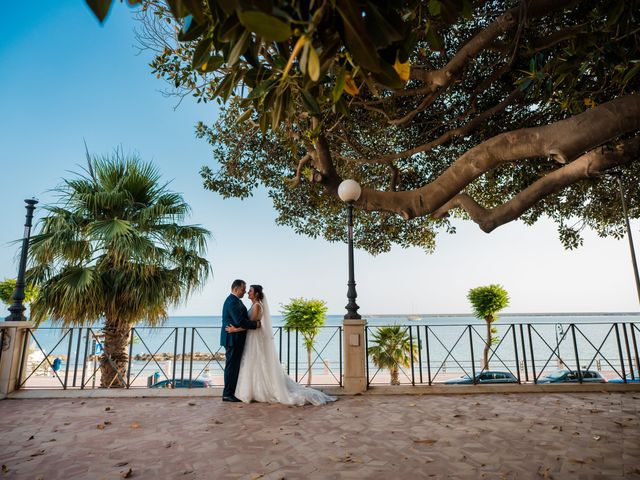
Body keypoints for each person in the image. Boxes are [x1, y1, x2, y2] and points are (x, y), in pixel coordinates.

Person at [226, 285, 337, 406]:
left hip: (254, 338)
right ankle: (254, 389)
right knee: (255, 363)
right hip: (253, 337)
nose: (248, 292)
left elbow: (251, 324)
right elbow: (252, 324)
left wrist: (235, 330)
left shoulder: (257, 306)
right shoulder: (254, 305)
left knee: (255, 362)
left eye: (250, 291)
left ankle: (258, 390)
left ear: (256, 294)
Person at [221, 279, 261, 402]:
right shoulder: (232, 301)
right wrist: (256, 325)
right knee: (231, 367)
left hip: (235, 338)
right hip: (232, 339)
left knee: (234, 367)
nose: (245, 292)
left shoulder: (235, 300)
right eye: (243, 290)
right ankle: (228, 394)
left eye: (246, 290)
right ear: (236, 289)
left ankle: (231, 392)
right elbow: (239, 321)